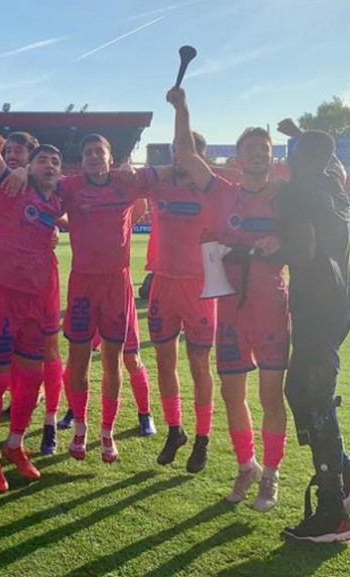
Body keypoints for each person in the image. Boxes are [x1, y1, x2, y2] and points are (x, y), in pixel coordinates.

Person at [174, 92, 288, 511]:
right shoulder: (222, 192)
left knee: (271, 397)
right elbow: (185, 154)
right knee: (231, 394)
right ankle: (247, 465)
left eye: (265, 148)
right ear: (238, 158)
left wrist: (285, 239)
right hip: (231, 311)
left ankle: (272, 475)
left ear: (272, 157)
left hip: (272, 306)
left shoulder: (285, 195)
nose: (258, 152)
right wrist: (183, 108)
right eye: (250, 148)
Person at [0, 64, 62, 492]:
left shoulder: (59, 201)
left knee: (32, 378)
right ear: (29, 166)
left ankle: (16, 444)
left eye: (56, 161)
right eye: (43, 160)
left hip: (34, 301)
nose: (51, 165)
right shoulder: (9, 184)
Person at [58, 134, 168, 464]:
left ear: (110, 158)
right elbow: (37, 189)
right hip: (81, 284)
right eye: (88, 152)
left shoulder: (125, 184)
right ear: (82, 159)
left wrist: (135, 168)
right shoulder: (70, 187)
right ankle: (80, 427)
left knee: (112, 361)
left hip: (116, 285)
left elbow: (172, 171)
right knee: (77, 361)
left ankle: (107, 433)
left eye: (100, 152)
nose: (94, 156)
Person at [275, 128, 350, 541]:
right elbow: (326, 155)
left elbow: (301, 250)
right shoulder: (334, 182)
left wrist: (261, 249)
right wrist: (304, 135)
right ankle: (346, 475)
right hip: (338, 302)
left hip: (316, 301)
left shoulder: (297, 191)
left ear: (299, 157)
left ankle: (333, 512)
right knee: (297, 391)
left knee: (315, 399)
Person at [145, 88, 217, 474]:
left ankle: (203, 438)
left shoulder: (212, 189)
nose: (177, 158)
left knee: (199, 364)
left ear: (198, 157)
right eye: (174, 152)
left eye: (184, 151)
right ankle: (176, 430)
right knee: (164, 361)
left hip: (200, 288)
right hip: (162, 284)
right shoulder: (159, 185)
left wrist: (182, 108)